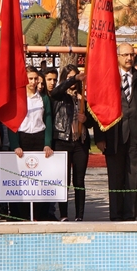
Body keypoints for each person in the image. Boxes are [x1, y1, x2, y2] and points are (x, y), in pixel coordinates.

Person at [94, 43, 137, 221]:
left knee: (133, 178)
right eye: (125, 55)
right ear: (118, 56)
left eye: (132, 54)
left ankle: (130, 215)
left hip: (136, 136)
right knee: (115, 177)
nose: (129, 58)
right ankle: (116, 215)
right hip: (113, 136)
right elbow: (100, 109)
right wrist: (99, 136)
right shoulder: (108, 77)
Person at [6, 66, 55, 220]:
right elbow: (11, 123)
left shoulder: (43, 98)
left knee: (40, 179)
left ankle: (41, 214)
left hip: (39, 139)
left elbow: (48, 120)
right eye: (30, 78)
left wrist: (47, 143)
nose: (33, 82)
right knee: (21, 179)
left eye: (35, 79)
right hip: (22, 138)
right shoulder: (17, 97)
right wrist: (15, 145)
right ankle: (19, 215)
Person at [49, 64, 91, 221]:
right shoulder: (59, 95)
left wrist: (86, 119)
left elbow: (94, 120)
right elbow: (56, 91)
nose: (74, 81)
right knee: (63, 180)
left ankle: (80, 215)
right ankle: (64, 214)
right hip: (62, 140)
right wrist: (72, 79)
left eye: (76, 78)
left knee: (79, 180)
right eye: (69, 78)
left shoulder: (83, 97)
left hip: (80, 141)